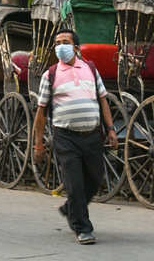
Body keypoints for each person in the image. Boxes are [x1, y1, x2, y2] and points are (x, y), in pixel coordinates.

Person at [33, 29, 118, 245]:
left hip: (91, 135)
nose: (61, 46)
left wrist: (111, 129)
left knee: (95, 178)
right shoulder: (50, 75)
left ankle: (70, 208)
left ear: (76, 47)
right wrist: (38, 144)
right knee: (75, 183)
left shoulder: (90, 69)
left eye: (65, 42)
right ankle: (83, 228)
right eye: (57, 43)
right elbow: (41, 112)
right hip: (65, 137)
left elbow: (103, 100)